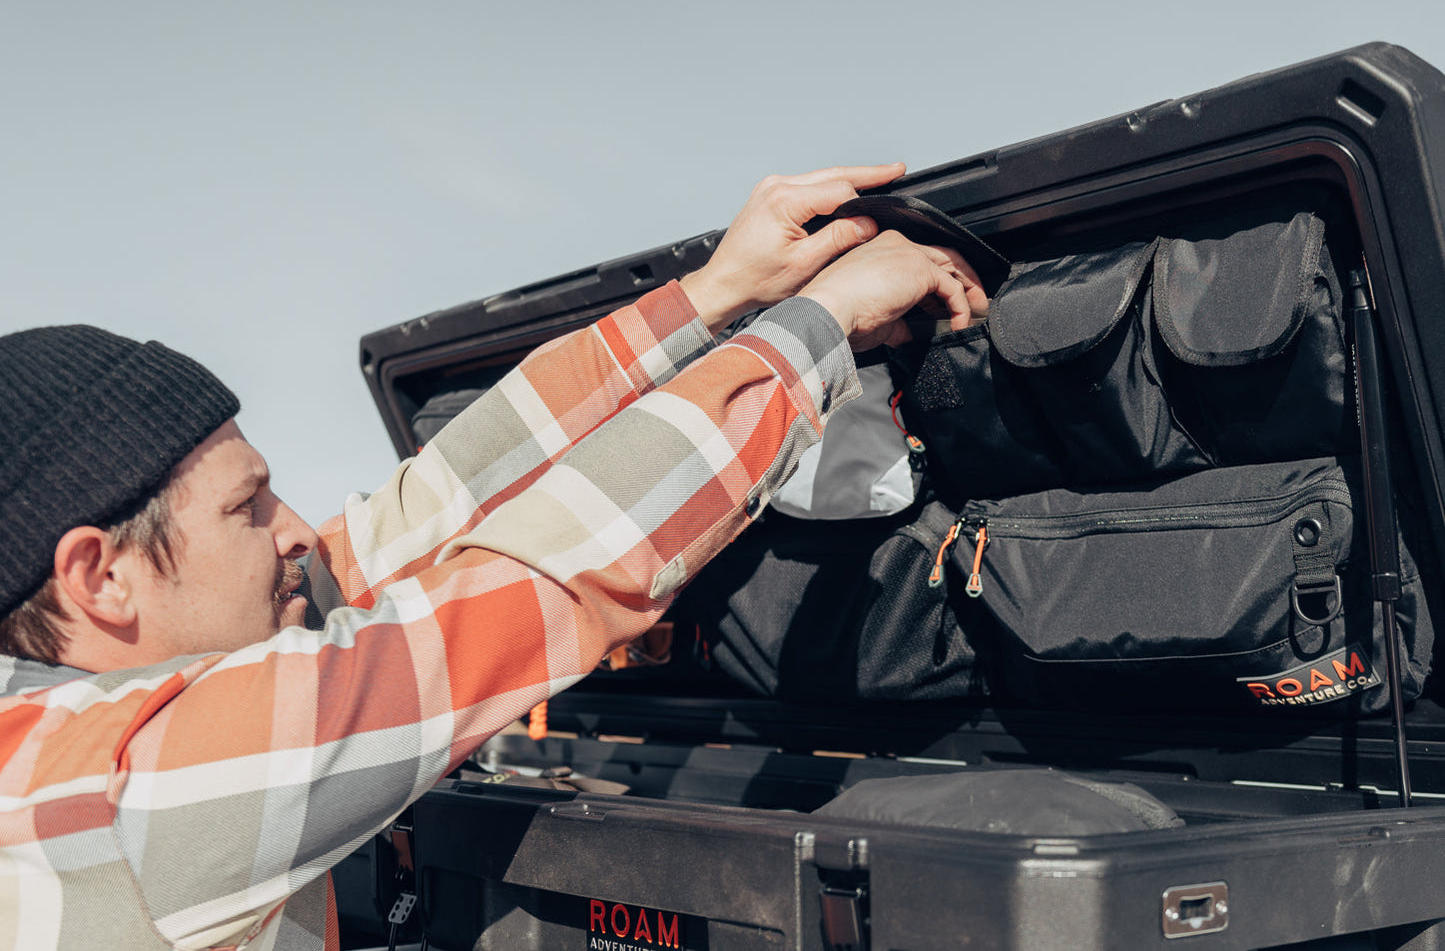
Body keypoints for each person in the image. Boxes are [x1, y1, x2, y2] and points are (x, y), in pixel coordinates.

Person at [0, 164, 987, 950]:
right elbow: (538, 577)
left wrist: (713, 295)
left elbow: (425, 510)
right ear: (101, 575)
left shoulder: (56, 716)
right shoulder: (123, 797)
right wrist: (815, 328)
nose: (297, 529)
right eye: (246, 508)